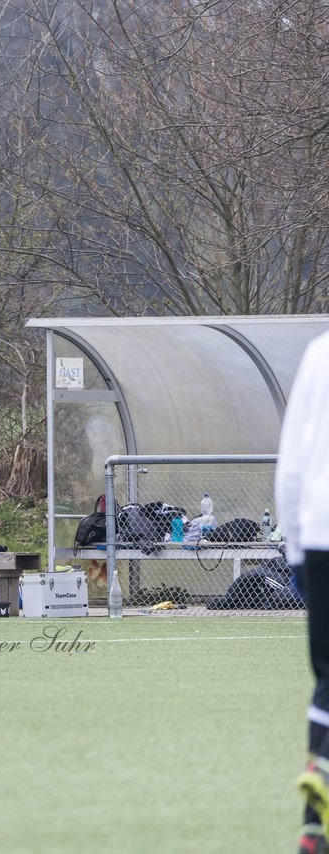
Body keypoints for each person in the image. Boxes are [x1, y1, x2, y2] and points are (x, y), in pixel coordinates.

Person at [277, 331, 329, 852]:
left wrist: (295, 548)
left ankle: (315, 822)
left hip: (320, 536)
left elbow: (290, 467)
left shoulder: (317, 353)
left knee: (328, 678)